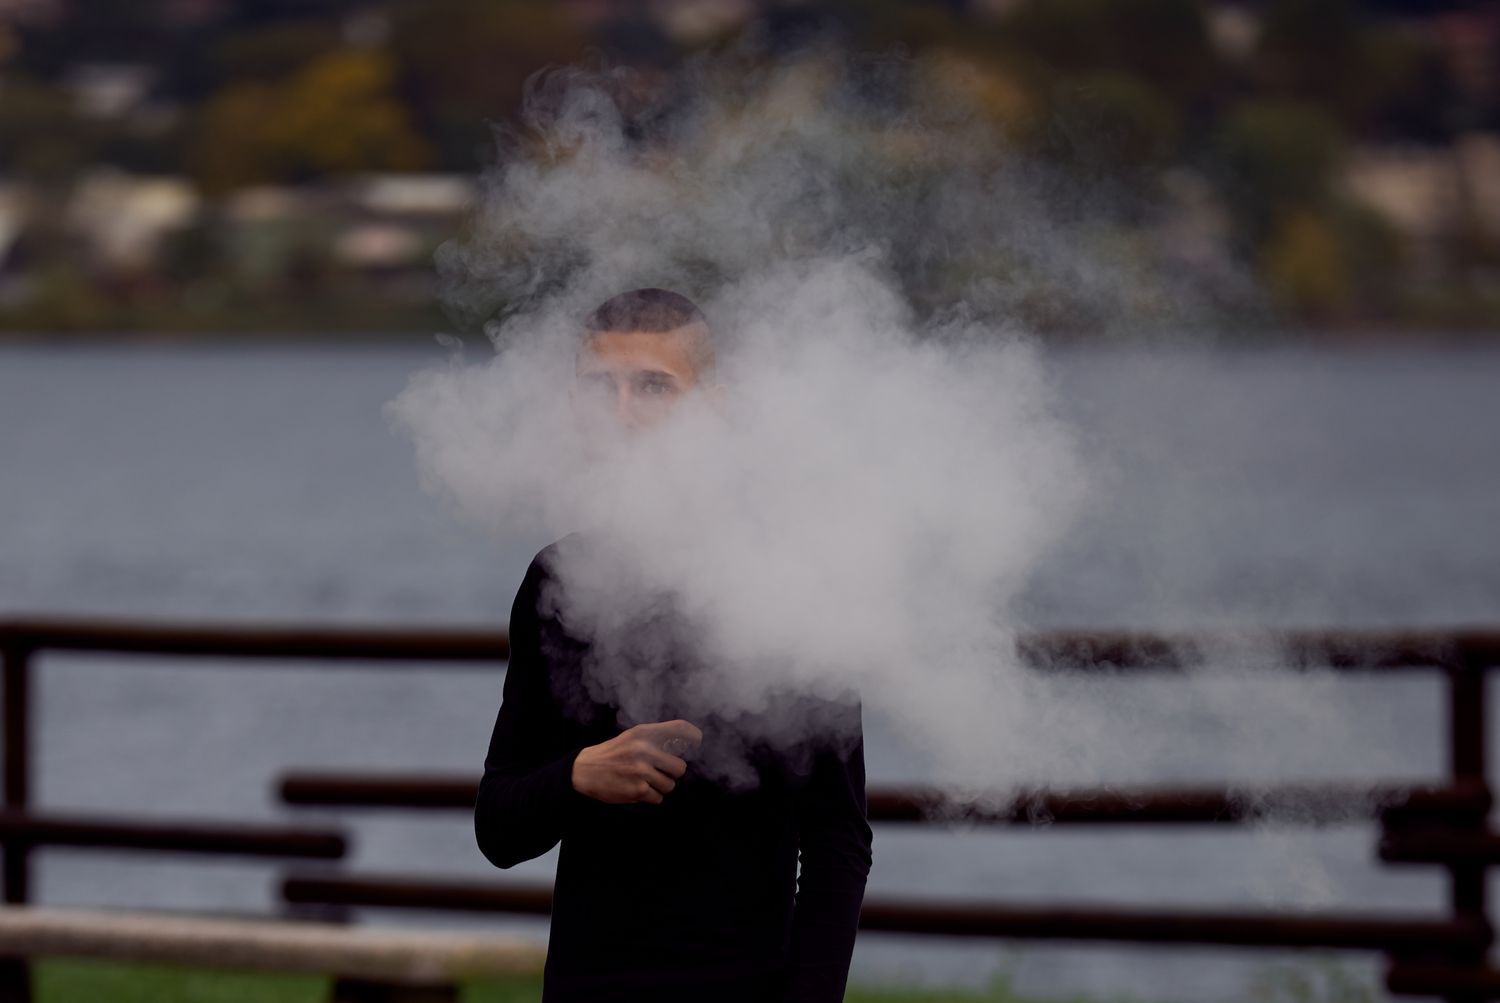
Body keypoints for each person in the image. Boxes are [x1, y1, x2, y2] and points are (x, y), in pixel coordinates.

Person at [474, 288, 873, 1002]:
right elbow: (498, 827)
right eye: (601, 388)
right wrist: (576, 776)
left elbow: (838, 843)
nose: (622, 413)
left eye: (653, 387)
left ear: (713, 404)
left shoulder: (794, 576)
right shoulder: (556, 580)